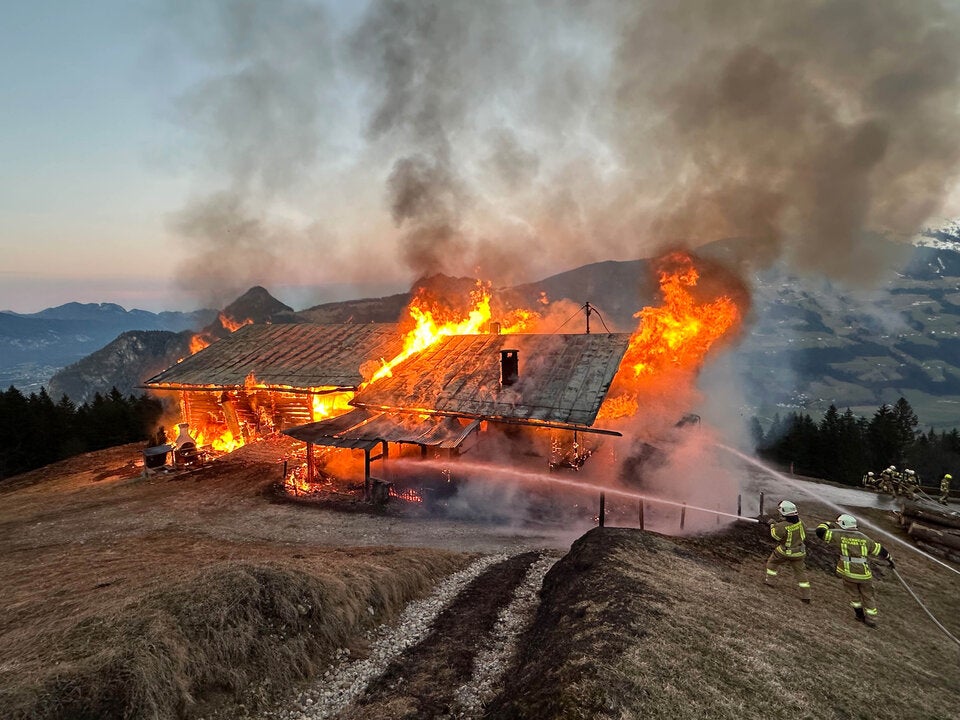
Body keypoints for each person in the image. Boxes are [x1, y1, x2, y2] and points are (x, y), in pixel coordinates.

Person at [815, 514, 892, 627]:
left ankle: (859, 615)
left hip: (848, 573)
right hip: (864, 575)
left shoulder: (839, 536)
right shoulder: (865, 538)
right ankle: (872, 620)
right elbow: (880, 550)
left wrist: (827, 524)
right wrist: (890, 560)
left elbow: (820, 532)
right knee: (868, 596)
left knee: (854, 596)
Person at [763, 500, 812, 603]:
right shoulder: (800, 522)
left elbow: (775, 536)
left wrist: (772, 525)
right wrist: (778, 525)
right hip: (799, 552)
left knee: (772, 562)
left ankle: (770, 581)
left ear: (784, 513)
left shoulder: (782, 526)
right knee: (800, 573)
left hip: (784, 552)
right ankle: (806, 595)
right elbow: (802, 530)